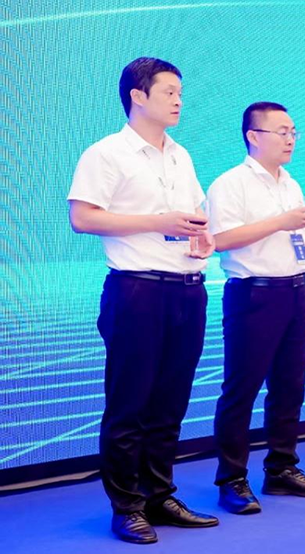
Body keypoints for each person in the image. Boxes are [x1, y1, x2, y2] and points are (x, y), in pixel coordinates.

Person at [68, 57, 219, 544]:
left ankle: (159, 495)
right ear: (138, 95)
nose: (178, 100)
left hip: (187, 290)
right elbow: (83, 218)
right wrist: (158, 222)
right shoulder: (106, 153)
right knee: (129, 404)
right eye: (169, 91)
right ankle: (126, 506)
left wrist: (202, 238)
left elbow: (192, 214)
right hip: (137, 290)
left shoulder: (181, 155)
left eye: (180, 92)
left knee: (170, 403)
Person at [207, 102, 305, 515]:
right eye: (281, 131)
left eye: (293, 131)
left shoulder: (290, 184)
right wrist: (280, 221)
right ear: (253, 136)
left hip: (295, 289)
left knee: (289, 386)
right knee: (241, 389)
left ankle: (281, 468)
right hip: (253, 294)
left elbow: (298, 244)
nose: (291, 139)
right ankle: (232, 479)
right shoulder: (231, 184)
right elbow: (221, 239)